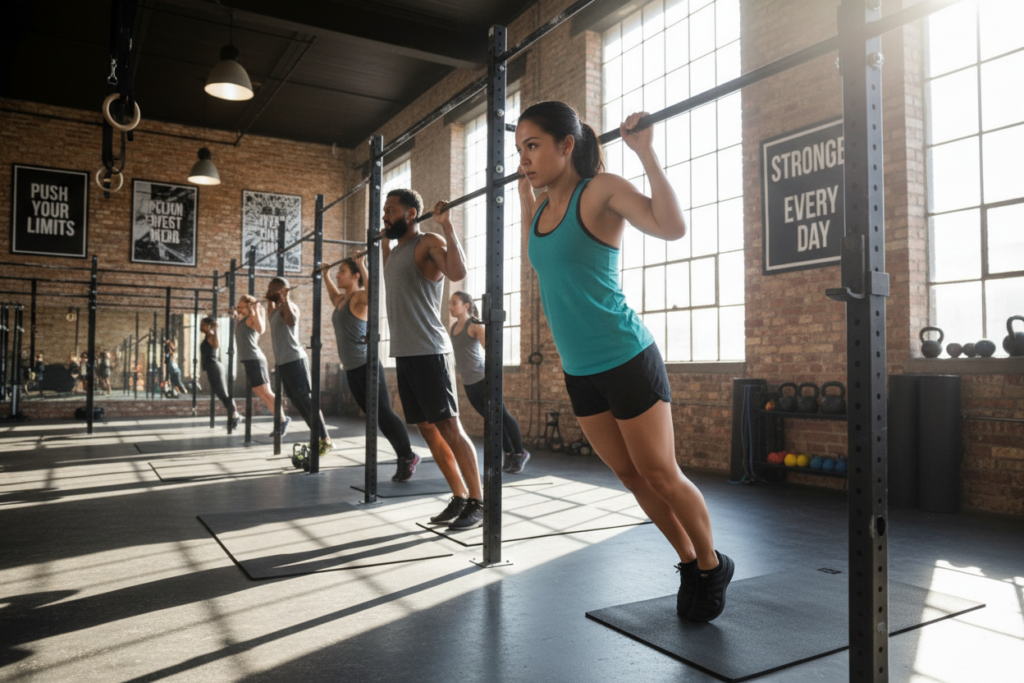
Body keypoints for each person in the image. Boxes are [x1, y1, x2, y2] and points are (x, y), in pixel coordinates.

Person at [516, 101, 734, 623]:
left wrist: (646, 153)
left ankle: (712, 563)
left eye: (532, 145)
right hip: (580, 371)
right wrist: (522, 183)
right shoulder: (541, 207)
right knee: (631, 477)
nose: (523, 158)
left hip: (626, 357)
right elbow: (537, 248)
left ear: (566, 145)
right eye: (518, 149)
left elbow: (671, 226)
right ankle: (688, 560)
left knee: (660, 472)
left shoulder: (602, 190)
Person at [381, 188, 483, 530]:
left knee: (450, 427)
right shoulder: (395, 252)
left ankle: (479, 501)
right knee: (427, 428)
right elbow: (392, 279)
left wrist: (447, 226)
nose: (385, 215)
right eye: (384, 210)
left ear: (411, 213)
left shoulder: (427, 242)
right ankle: (458, 496)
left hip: (429, 351)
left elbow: (457, 271)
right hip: (405, 354)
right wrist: (382, 244)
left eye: (391, 210)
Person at [323, 254, 420, 481]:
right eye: (338, 273)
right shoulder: (341, 301)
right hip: (351, 368)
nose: (339, 275)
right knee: (374, 415)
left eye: (342, 272)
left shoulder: (359, 298)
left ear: (355, 276)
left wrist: (364, 266)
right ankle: (404, 455)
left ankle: (407, 456)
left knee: (383, 412)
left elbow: (375, 293)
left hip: (367, 364)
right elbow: (331, 294)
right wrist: (326, 275)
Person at [448, 291, 530, 474]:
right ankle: (508, 453)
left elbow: (490, 349)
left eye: (455, 303)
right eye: (450, 303)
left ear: (466, 306)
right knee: (491, 419)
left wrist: (493, 377)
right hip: (469, 383)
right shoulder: (452, 329)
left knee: (502, 415)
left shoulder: (475, 325)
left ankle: (520, 452)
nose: (451, 307)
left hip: (484, 379)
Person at [265, 277, 332, 455]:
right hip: (283, 364)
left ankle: (325, 439)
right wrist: (269, 298)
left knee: (307, 401)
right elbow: (270, 312)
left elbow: (292, 321)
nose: (271, 291)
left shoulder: (290, 306)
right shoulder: (273, 309)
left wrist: (286, 298)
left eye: (275, 288)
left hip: (295, 361)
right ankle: (317, 438)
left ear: (284, 290)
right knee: (297, 403)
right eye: (270, 288)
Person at [233, 294, 290, 437]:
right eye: (238, 305)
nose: (238, 307)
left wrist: (257, 309)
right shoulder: (242, 319)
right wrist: (238, 312)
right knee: (262, 395)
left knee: (267, 393)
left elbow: (261, 329)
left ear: (248, 306)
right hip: (248, 361)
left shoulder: (253, 317)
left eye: (241, 305)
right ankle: (280, 420)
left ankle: (283, 420)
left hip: (256, 360)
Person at [199, 317, 240, 430]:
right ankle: (234, 416)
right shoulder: (207, 335)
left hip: (215, 368)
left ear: (208, 326)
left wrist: (216, 330)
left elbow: (216, 345)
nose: (201, 326)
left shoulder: (212, 334)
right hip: (211, 369)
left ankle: (235, 416)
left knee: (224, 394)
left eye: (203, 324)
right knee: (221, 395)